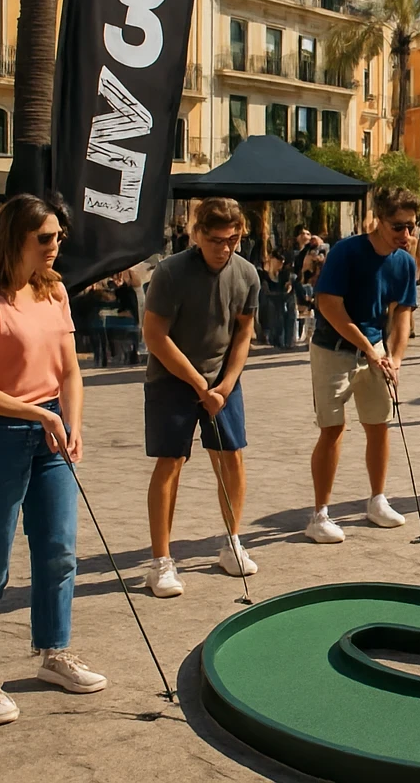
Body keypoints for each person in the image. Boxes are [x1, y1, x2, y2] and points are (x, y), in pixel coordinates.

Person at [0, 194, 103, 726]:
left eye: (59, 235)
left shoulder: (53, 290)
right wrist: (37, 414)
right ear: (16, 238)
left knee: (60, 550)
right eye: (45, 237)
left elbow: (70, 370)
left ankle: (54, 651)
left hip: (51, 432)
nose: (56, 244)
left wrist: (71, 421)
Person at [140, 199, 261, 597]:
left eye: (233, 240)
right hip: (172, 378)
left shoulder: (247, 274)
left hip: (222, 380)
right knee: (171, 462)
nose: (224, 248)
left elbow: (244, 332)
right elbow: (154, 335)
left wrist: (225, 385)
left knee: (232, 457)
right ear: (197, 235)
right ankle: (161, 562)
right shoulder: (170, 272)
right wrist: (197, 384)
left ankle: (232, 541)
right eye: (216, 240)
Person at [304, 187, 418, 543]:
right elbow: (329, 305)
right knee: (333, 428)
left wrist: (396, 358)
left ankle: (377, 500)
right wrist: (368, 348)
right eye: (398, 226)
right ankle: (320, 514)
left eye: (411, 226)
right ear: (378, 221)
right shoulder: (347, 251)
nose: (406, 234)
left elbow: (403, 312)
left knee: (380, 423)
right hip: (334, 348)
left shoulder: (405, 261)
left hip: (376, 349)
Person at [259, 253, 296, 350]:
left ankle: (288, 340)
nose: (281, 265)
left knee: (288, 305)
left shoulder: (284, 275)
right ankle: (276, 338)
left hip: (282, 299)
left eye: (282, 263)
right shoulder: (264, 275)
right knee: (273, 306)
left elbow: (288, 287)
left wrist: (288, 288)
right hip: (270, 299)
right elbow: (266, 292)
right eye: (279, 262)